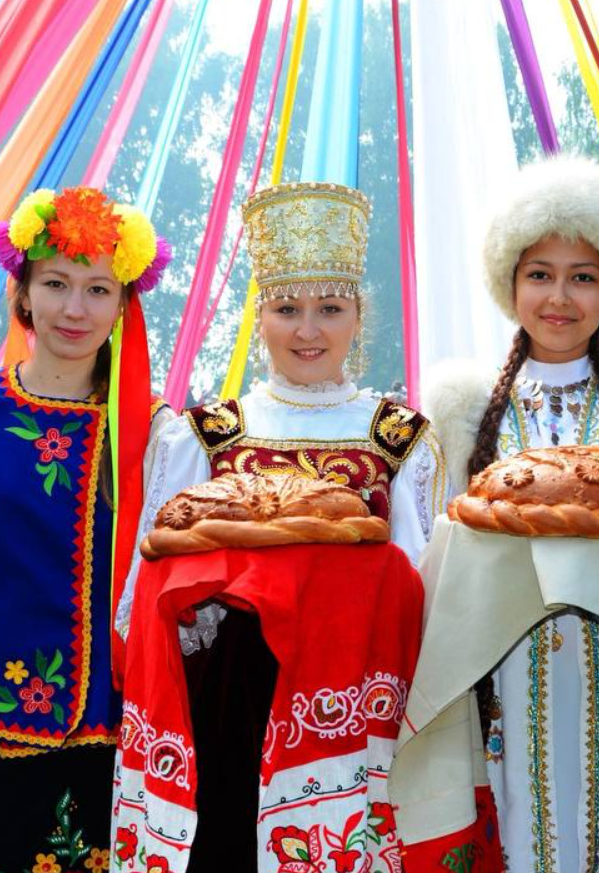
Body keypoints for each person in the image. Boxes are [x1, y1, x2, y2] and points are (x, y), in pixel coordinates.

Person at [391, 155, 599, 873]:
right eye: (540, 274)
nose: (559, 297)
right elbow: (430, 564)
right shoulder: (460, 408)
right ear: (510, 283)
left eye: (583, 277)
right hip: (498, 682)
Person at [112, 182, 442, 873]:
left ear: (359, 317)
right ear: (259, 317)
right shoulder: (208, 432)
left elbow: (422, 590)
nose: (308, 331)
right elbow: (150, 593)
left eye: (331, 309)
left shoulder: (398, 436)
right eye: (287, 309)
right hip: (231, 695)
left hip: (355, 697)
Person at [0, 186, 171, 873]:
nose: (75, 309)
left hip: (116, 710)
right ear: (24, 293)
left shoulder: (153, 429)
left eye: (98, 290)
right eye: (57, 283)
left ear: (123, 305)